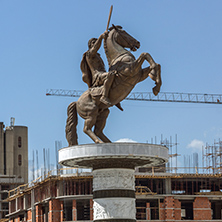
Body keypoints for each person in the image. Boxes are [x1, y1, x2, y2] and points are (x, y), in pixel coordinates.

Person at [80, 31, 117, 107]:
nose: (95, 43)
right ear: (90, 45)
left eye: (95, 42)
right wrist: (101, 37)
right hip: (97, 76)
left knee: (116, 75)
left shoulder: (98, 56)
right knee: (110, 75)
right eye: (93, 43)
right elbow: (95, 47)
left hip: (102, 74)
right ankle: (104, 96)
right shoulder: (89, 54)